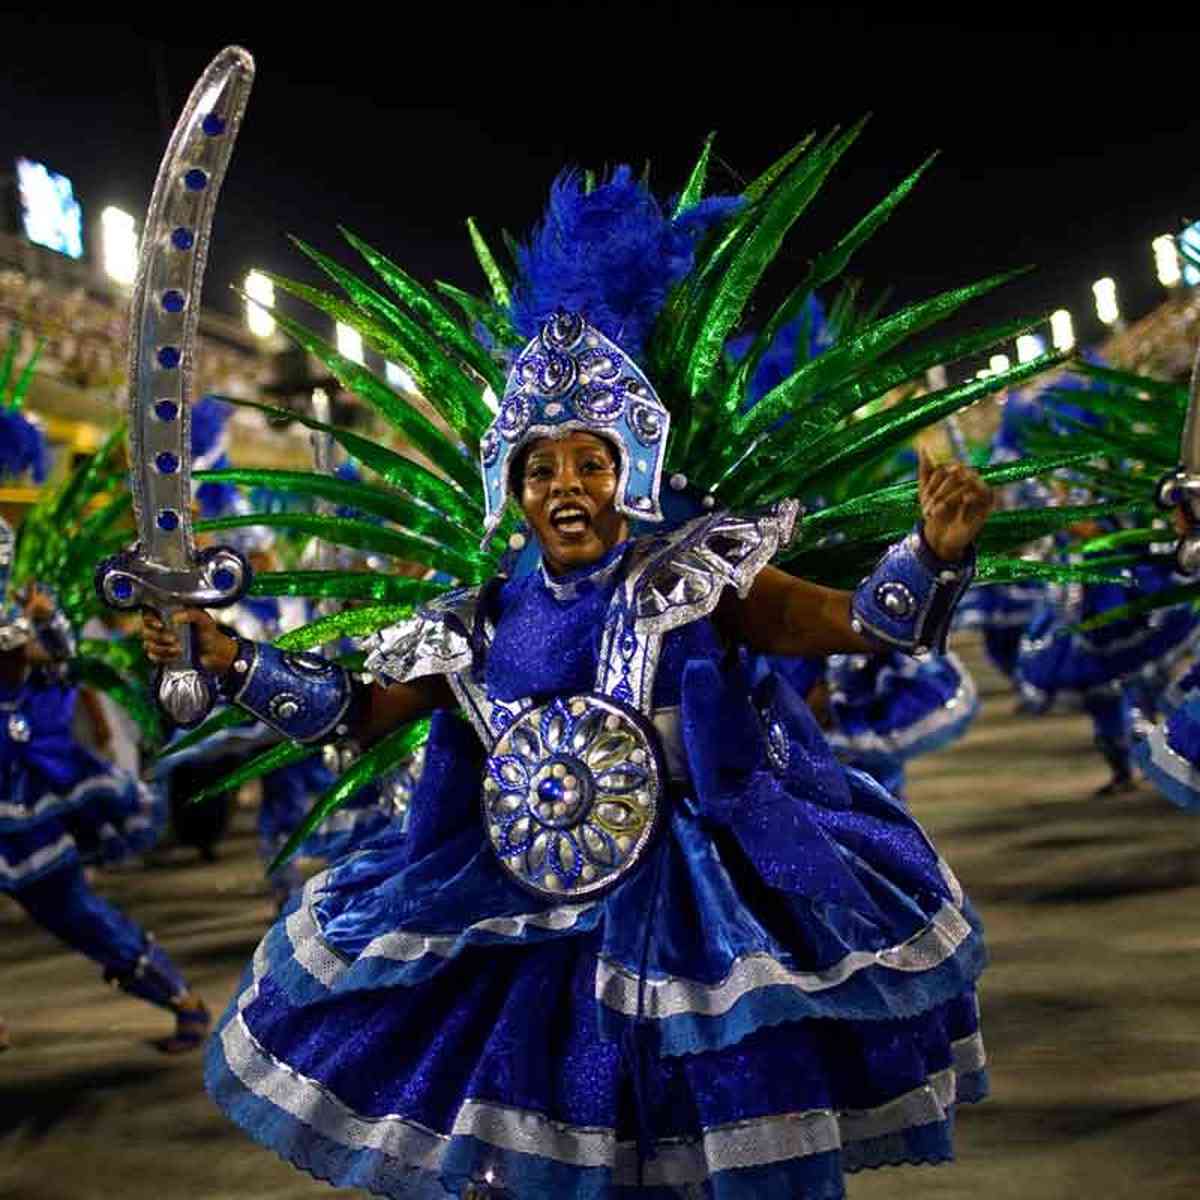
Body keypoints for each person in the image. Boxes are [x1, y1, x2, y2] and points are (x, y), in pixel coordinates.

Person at [145, 310, 993, 1195]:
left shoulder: (695, 577)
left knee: (716, 1138)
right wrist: (230, 658)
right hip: (521, 904)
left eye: (591, 461)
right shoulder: (476, 624)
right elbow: (353, 714)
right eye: (541, 467)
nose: (567, 484)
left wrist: (931, 555)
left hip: (692, 903)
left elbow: (857, 622)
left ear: (629, 474)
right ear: (513, 492)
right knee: (548, 1148)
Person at [1, 566, 209, 1053]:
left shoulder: (27, 654)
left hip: (23, 813)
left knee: (78, 915)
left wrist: (46, 621)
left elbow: (58, 658)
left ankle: (182, 1000)